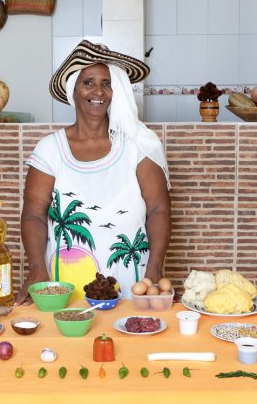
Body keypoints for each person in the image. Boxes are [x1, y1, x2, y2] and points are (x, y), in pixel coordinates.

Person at [16, 41, 171, 304]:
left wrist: (154, 270)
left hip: (133, 284)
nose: (99, 91)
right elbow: (33, 214)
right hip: (64, 289)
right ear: (72, 90)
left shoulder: (138, 145)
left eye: (107, 83)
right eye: (88, 82)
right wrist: (36, 268)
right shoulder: (50, 149)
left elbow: (159, 209)